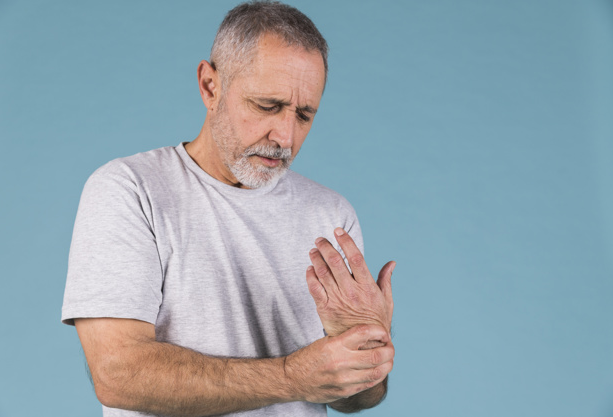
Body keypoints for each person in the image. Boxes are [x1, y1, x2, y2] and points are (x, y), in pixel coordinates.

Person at [61, 2, 396, 416]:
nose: (285, 136)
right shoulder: (130, 190)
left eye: (305, 115)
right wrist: (293, 376)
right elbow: (118, 375)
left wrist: (367, 347)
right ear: (209, 86)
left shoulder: (331, 215)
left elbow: (356, 399)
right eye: (267, 106)